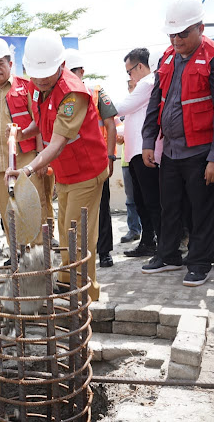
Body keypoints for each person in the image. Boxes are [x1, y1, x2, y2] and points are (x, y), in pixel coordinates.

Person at [141, 0, 214, 286]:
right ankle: (168, 254)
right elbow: (155, 102)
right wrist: (148, 140)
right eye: (172, 33)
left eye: (183, 33)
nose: (177, 39)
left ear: (201, 28)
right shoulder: (167, 58)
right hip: (171, 150)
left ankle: (199, 262)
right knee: (170, 206)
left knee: (203, 209)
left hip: (202, 151)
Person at [5, 28, 109, 302]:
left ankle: (85, 291)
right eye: (34, 75)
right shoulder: (40, 85)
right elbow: (41, 123)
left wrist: (26, 170)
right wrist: (22, 132)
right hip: (66, 172)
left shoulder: (72, 94)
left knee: (78, 232)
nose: (38, 81)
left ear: (61, 65)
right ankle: (67, 283)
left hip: (86, 171)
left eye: (45, 74)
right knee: (65, 229)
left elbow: (56, 143)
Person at [0, 37, 49, 260]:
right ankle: (16, 253)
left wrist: (41, 158)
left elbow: (40, 124)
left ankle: (37, 255)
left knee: (31, 206)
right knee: (8, 210)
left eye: (0, 63)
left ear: (10, 64)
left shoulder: (26, 88)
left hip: (26, 160)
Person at [64, 48, 117, 268]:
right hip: (72, 165)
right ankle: (77, 256)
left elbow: (111, 126)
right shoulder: (62, 98)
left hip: (96, 161)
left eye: (72, 72)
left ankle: (104, 252)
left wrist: (111, 156)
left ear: (82, 72)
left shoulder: (95, 92)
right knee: (72, 215)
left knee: (101, 208)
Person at [117, 48, 163, 258]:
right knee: (142, 200)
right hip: (136, 151)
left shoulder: (147, 82)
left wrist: (98, 101)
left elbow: (122, 107)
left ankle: (161, 244)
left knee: (151, 200)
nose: (130, 76)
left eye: (130, 71)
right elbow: (131, 117)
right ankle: (149, 241)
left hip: (144, 150)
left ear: (140, 66)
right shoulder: (145, 86)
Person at [118, 82, 142, 243]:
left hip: (142, 157)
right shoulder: (125, 110)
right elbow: (119, 131)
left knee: (146, 198)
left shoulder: (144, 106)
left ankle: (150, 233)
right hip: (127, 160)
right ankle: (134, 229)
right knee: (131, 199)